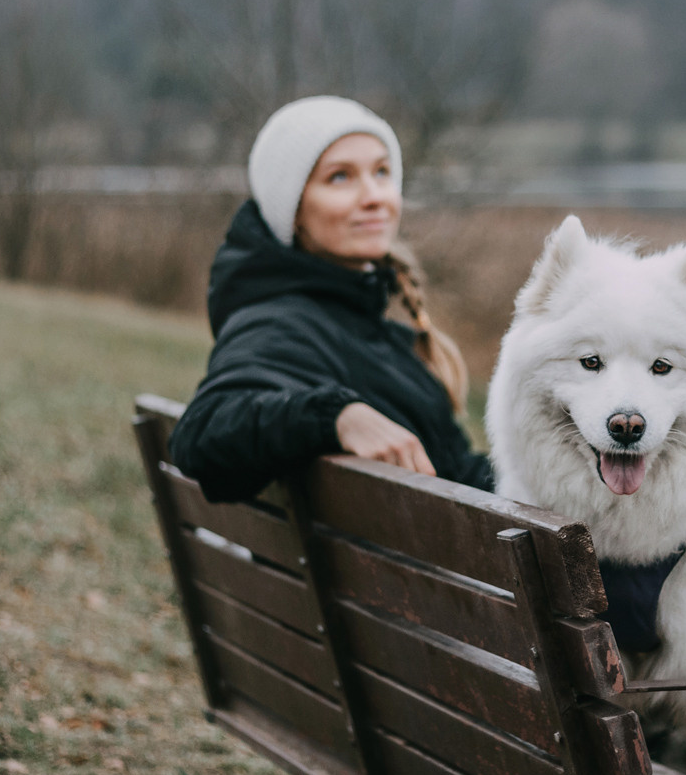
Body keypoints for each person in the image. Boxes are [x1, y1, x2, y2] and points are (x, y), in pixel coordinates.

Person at [169, 96, 492, 503]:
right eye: (340, 177)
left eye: (382, 171)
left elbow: (455, 472)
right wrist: (337, 416)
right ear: (294, 211)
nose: (374, 195)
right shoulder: (281, 324)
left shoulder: (364, 329)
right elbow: (201, 433)